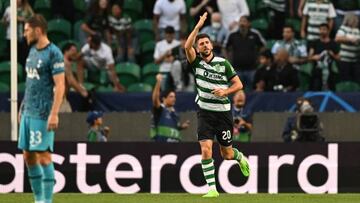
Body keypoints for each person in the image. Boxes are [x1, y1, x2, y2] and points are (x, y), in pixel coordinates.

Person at [184, 12, 250, 198]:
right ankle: (212, 189)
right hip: (204, 112)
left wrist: (226, 92)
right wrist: (198, 27)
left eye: (206, 42)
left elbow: (239, 85)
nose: (204, 45)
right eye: (201, 43)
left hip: (223, 113)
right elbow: (186, 46)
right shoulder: (196, 63)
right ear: (198, 48)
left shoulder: (224, 64)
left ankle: (240, 157)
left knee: (226, 154)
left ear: (211, 45)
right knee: (206, 149)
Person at [18, 14, 65, 203]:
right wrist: (22, 107)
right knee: (28, 156)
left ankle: (47, 201)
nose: (24, 34)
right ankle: (38, 200)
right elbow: (31, 83)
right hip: (28, 111)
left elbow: (60, 85)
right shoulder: (32, 51)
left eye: (27, 29)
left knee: (44, 156)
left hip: (43, 113)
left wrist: (54, 113)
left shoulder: (54, 53)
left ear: (38, 30)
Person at [224, 16, 266, 91]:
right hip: (236, 68)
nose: (242, 23)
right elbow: (224, 47)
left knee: (251, 90)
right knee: (237, 90)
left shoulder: (255, 34)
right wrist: (227, 60)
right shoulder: (232, 34)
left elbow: (263, 46)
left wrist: (259, 58)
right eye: (240, 21)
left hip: (252, 68)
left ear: (249, 23)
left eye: (244, 21)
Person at [150, 74, 190, 142]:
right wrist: (158, 82)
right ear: (164, 99)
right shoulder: (159, 109)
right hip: (161, 145)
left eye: (174, 97)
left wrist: (181, 127)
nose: (174, 99)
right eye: (171, 97)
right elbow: (155, 99)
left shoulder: (174, 113)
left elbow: (173, 127)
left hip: (175, 145)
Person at [1, 0, 33, 67]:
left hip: (23, 37)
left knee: (23, 58)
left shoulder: (26, 9)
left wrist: (21, 19)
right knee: (12, 58)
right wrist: (5, 21)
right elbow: (3, 22)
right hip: (10, 37)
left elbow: (32, 19)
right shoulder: (8, 9)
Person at [60, 42, 90, 113]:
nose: (75, 53)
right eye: (73, 51)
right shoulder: (64, 62)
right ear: (66, 51)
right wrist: (83, 91)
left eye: (76, 51)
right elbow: (71, 80)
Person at [308, 23, 340, 91]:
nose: (322, 31)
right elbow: (309, 57)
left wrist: (332, 55)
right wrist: (314, 57)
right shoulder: (315, 42)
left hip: (330, 69)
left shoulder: (333, 43)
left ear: (328, 31)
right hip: (317, 70)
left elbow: (338, 57)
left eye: (324, 29)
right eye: (321, 30)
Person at [154, 26, 183, 91]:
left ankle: (177, 83)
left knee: (177, 63)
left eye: (171, 34)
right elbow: (156, 62)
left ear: (174, 34)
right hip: (163, 71)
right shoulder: (159, 44)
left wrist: (174, 59)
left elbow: (183, 58)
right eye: (167, 33)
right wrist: (165, 55)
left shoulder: (178, 44)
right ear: (165, 34)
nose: (169, 35)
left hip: (177, 72)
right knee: (165, 92)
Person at [335, 13, 360, 84]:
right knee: (345, 79)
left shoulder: (357, 30)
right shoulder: (343, 28)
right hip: (344, 60)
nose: (357, 21)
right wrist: (350, 40)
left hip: (355, 59)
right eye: (355, 19)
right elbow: (337, 38)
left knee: (356, 80)